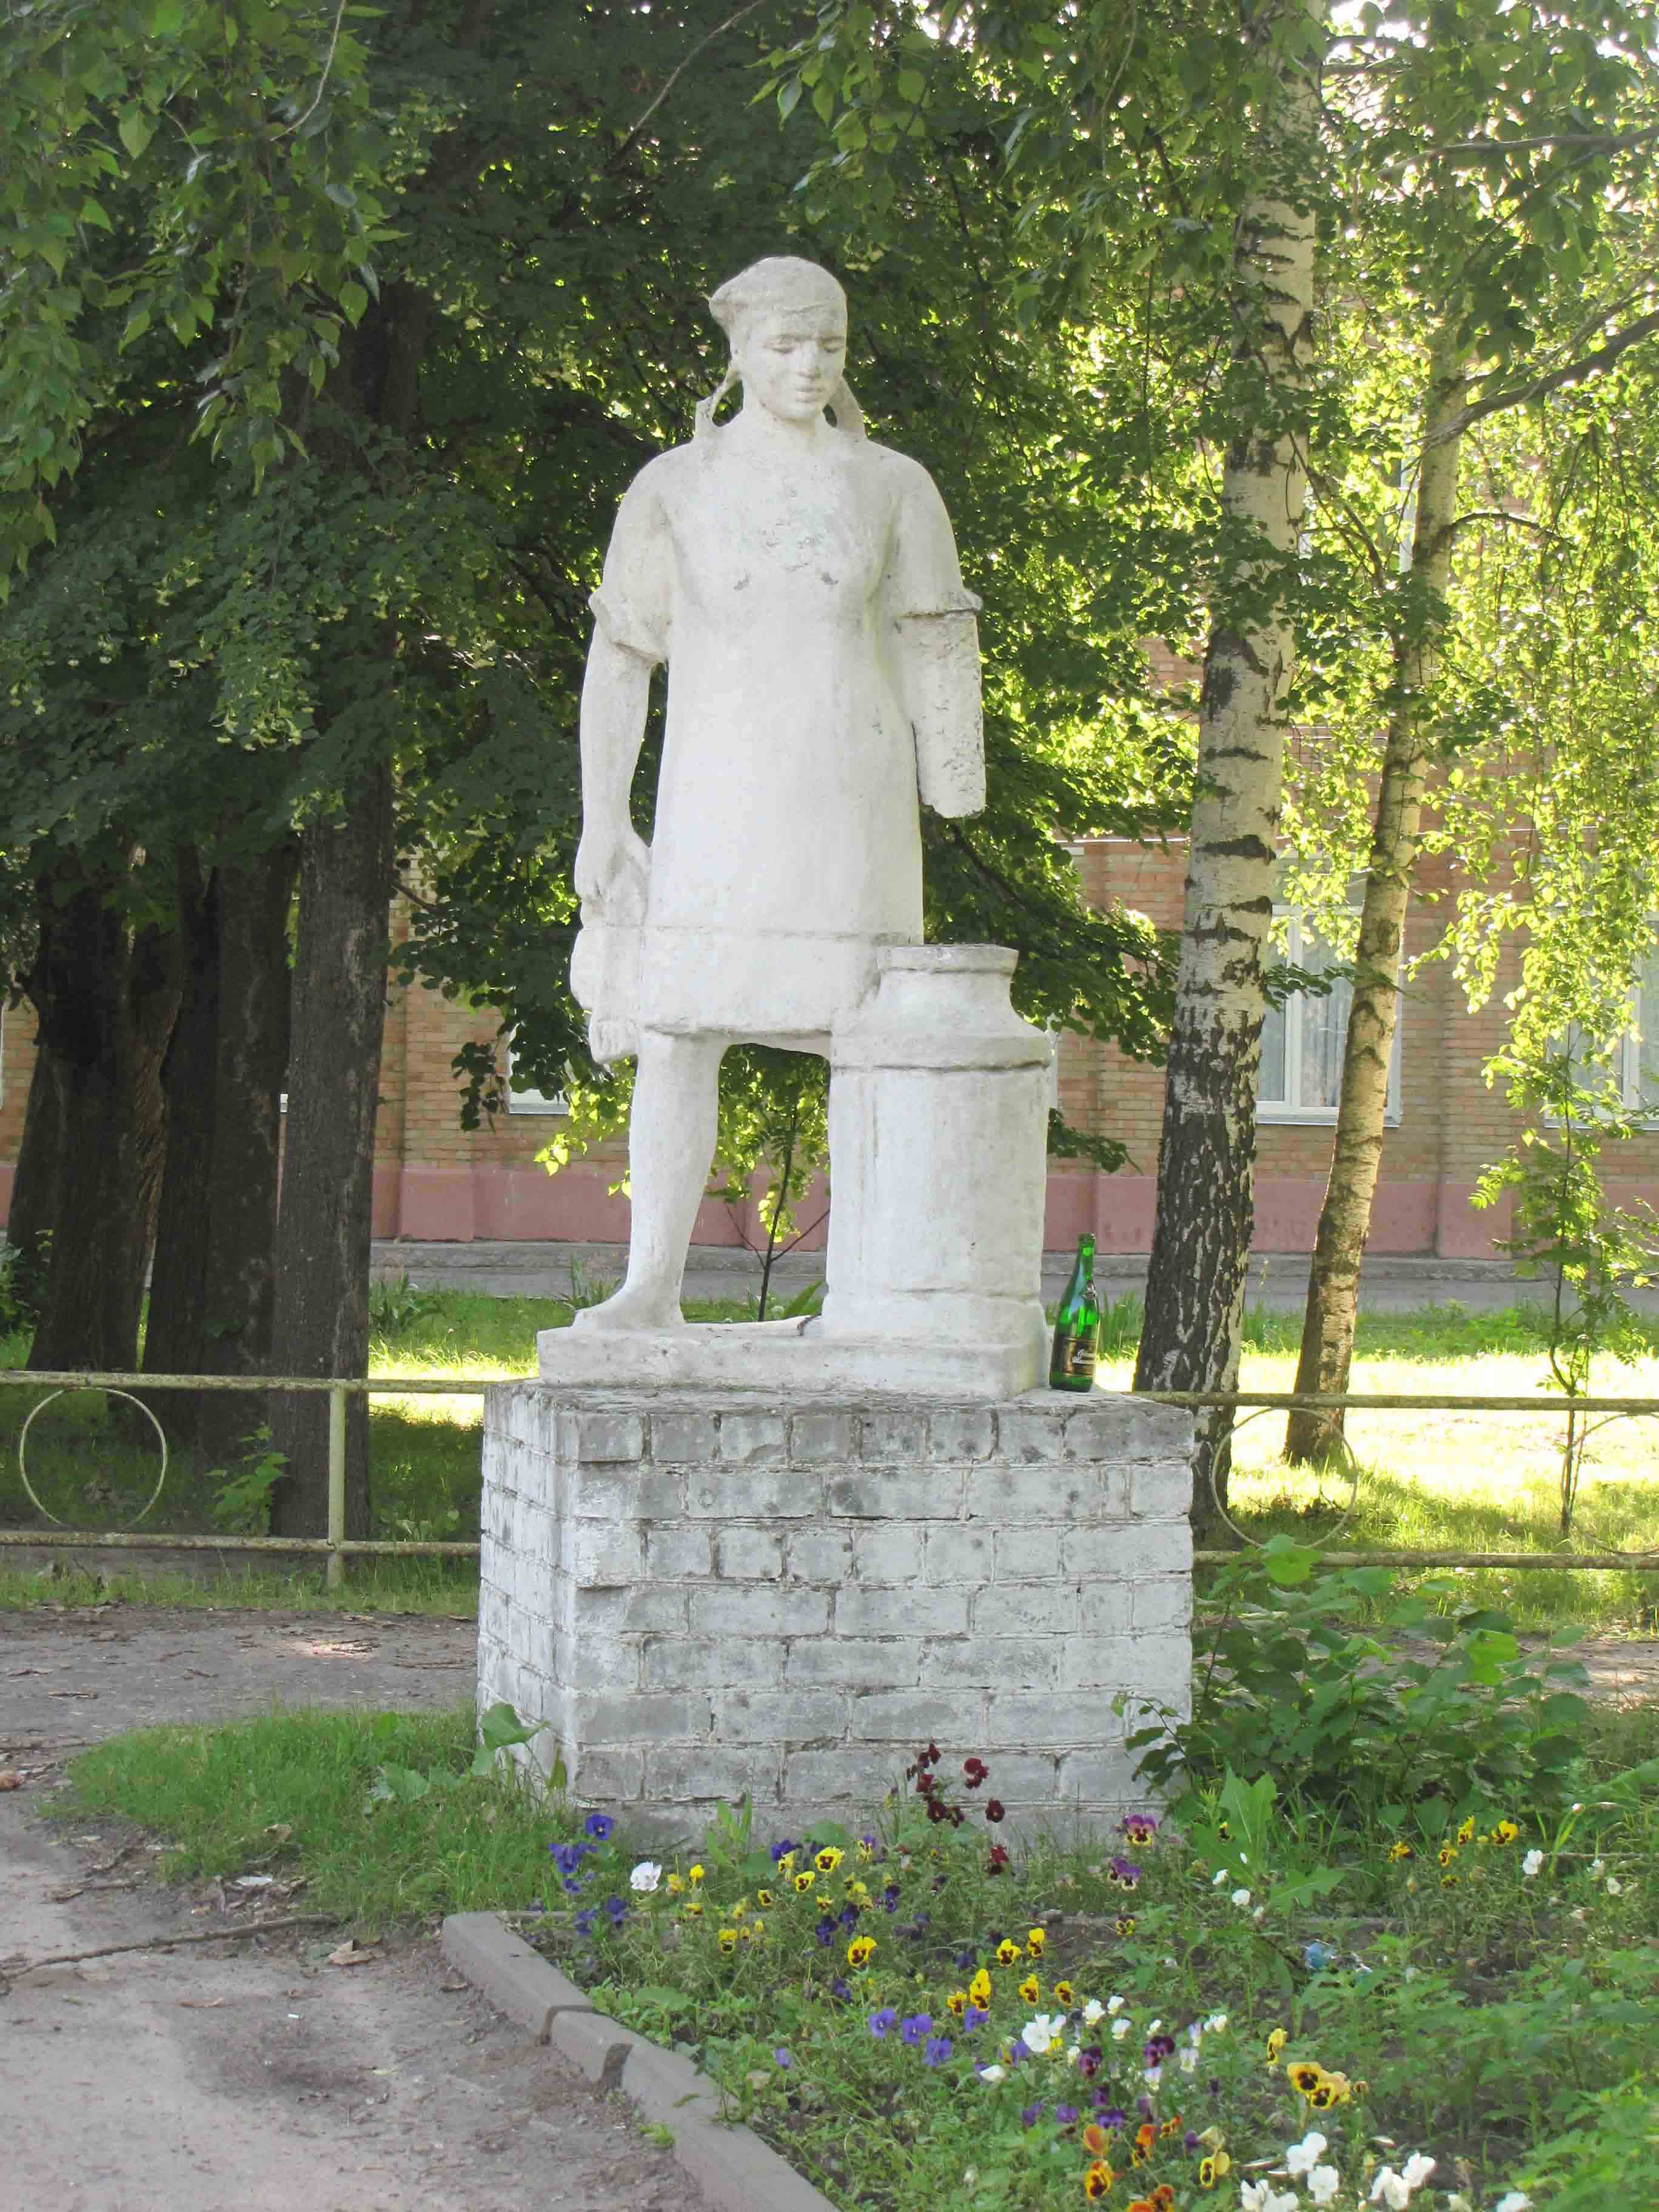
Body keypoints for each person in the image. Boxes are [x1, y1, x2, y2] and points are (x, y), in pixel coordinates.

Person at [571, 256, 985, 1330]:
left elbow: (937, 632)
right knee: (676, 1028)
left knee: (864, 1034)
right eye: (786, 345)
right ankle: (649, 1285)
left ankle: (863, 1291)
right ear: (741, 351)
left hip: (851, 793)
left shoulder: (893, 484)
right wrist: (603, 817)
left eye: (830, 346)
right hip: (716, 790)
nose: (809, 367)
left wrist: (955, 781)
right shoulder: (675, 486)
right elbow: (623, 655)